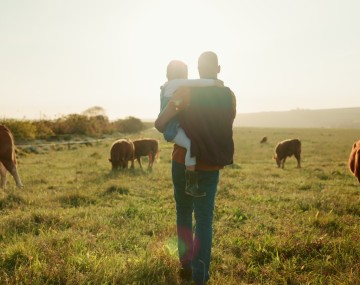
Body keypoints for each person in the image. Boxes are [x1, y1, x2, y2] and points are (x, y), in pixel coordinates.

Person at [155, 51, 236, 285]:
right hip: (210, 164)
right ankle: (201, 278)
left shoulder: (186, 92)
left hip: (182, 161)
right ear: (218, 69)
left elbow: (161, 123)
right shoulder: (229, 96)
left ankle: (186, 265)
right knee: (204, 220)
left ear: (197, 71)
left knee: (183, 211)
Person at [160, 59, 222, 197]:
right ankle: (191, 185)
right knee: (191, 145)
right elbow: (196, 83)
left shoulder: (168, 85)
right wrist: (214, 83)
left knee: (192, 142)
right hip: (172, 129)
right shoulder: (176, 83)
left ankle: (191, 181)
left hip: (174, 127)